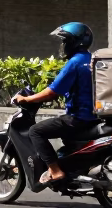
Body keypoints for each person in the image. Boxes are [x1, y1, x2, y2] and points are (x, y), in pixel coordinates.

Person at [15, 22, 98, 184]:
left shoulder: (74, 63)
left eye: (65, 41)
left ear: (75, 42)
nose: (63, 45)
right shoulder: (92, 60)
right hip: (94, 116)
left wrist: (27, 99)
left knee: (35, 131)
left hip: (79, 118)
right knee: (64, 134)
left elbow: (52, 92)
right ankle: (74, 168)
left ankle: (55, 171)